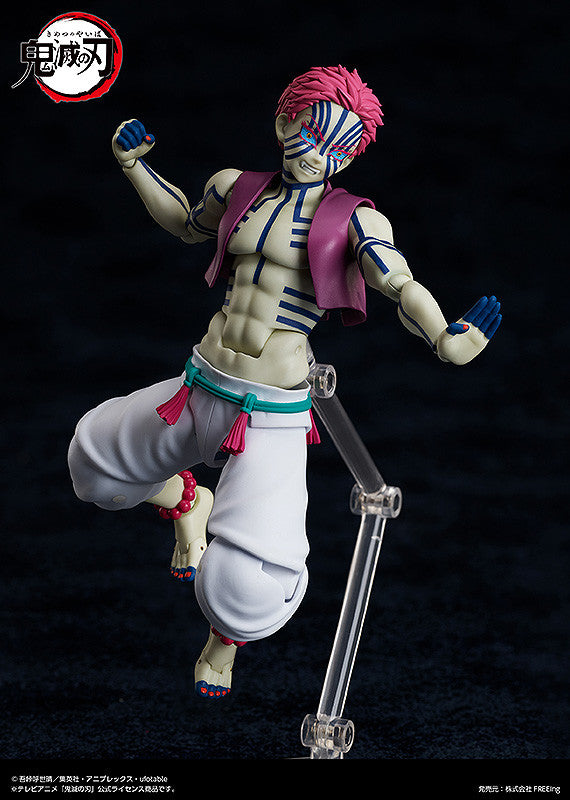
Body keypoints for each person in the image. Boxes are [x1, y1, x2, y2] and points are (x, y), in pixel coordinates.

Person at [68, 66, 502, 700]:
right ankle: (186, 500)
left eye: (339, 149)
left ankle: (223, 644)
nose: (319, 155)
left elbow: (396, 282)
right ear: (284, 122)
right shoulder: (236, 188)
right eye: (312, 134)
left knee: (250, 583)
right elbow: (187, 223)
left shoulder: (352, 221)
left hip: (269, 413)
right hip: (199, 384)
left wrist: (444, 336)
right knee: (94, 467)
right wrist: (134, 167)